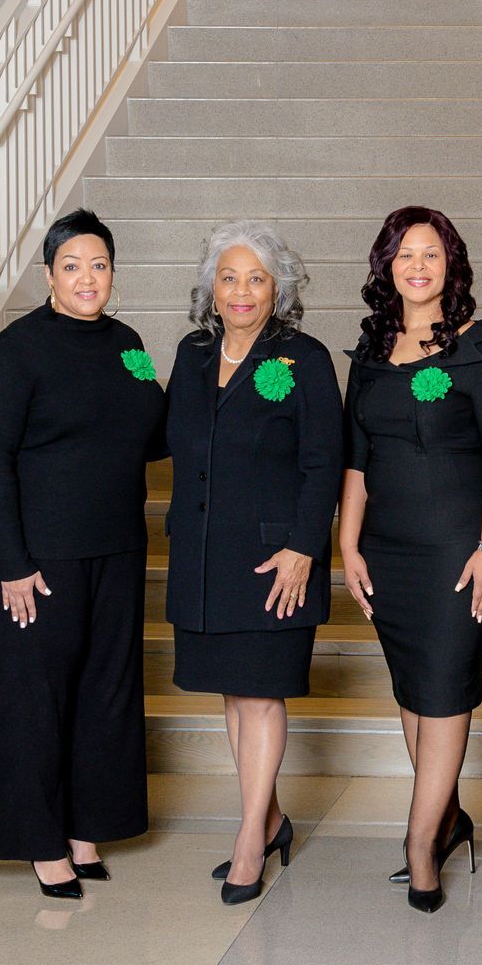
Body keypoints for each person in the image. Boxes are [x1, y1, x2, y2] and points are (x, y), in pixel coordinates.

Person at [0, 210, 165, 900]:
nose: (87, 278)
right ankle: (40, 840)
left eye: (98, 265)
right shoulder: (18, 349)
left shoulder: (129, 345)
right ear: (49, 275)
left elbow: (156, 429)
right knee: (34, 697)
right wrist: (12, 563)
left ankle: (86, 827)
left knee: (105, 691)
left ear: (113, 273)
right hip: (37, 556)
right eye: (71, 266)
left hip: (117, 546)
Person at [339, 206, 482, 913]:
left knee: (443, 685)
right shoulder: (369, 350)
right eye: (405, 253)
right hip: (386, 549)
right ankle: (447, 820)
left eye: (432, 254)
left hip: (457, 548)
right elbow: (357, 458)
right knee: (414, 689)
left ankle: (420, 847)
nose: (417, 266)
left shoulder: (480, 347)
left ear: (452, 266)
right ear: (386, 264)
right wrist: (347, 543)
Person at [165, 220, 341, 905]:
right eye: (229, 277)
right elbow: (166, 436)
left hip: (274, 558)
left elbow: (325, 462)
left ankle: (248, 840)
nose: (241, 291)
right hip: (206, 556)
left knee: (261, 693)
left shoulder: (304, 358)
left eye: (256, 278)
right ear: (211, 287)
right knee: (234, 694)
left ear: (278, 289)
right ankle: (267, 820)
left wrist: (303, 548)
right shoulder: (192, 353)